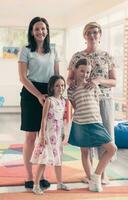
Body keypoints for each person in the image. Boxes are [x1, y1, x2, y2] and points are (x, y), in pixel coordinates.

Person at [67, 22, 116, 184]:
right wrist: (71, 83)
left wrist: (98, 80)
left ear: (100, 34)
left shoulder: (107, 56)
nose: (92, 35)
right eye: (88, 32)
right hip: (84, 103)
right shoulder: (76, 57)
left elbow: (114, 81)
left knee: (105, 136)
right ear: (84, 36)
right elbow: (69, 79)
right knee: (87, 140)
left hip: (104, 100)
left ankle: (102, 173)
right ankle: (90, 175)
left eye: (95, 32)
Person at [18, 16, 60, 190]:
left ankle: (41, 175)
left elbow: (57, 75)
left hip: (49, 93)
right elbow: (23, 77)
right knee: (30, 137)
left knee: (45, 138)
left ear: (47, 31)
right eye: (36, 29)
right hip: (30, 93)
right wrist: (37, 95)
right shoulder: (26, 50)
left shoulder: (54, 50)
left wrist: (56, 97)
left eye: (43, 28)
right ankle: (29, 175)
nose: (40, 31)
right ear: (31, 32)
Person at [30, 75, 70, 194]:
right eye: (57, 85)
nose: (60, 88)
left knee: (58, 160)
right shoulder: (49, 100)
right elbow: (43, 119)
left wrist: (63, 132)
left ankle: (60, 183)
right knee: (44, 160)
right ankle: (36, 185)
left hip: (57, 136)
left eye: (62, 85)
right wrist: (42, 135)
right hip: (47, 135)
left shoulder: (63, 101)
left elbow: (62, 119)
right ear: (52, 87)